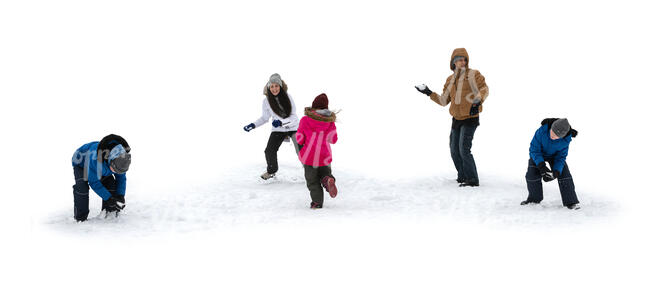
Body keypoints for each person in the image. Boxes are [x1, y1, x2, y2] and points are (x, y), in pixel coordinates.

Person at [415, 48, 489, 187]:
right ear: (453, 62)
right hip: (456, 118)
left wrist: (477, 101)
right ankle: (462, 176)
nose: (463, 62)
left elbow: (484, 89)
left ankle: (472, 179)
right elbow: (443, 100)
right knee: (454, 149)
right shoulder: (450, 80)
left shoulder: (473, 74)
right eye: (459, 59)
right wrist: (428, 92)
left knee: (463, 148)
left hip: (471, 117)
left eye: (464, 59)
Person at [243, 73, 301, 180]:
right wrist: (253, 125)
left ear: (280, 86)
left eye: (276, 86)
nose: (274, 89)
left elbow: (294, 116)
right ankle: (272, 170)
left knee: (301, 150)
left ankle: (311, 171)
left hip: (293, 127)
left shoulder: (288, 97)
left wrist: (281, 122)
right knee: (269, 150)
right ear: (269, 87)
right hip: (278, 129)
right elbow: (265, 118)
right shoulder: (266, 101)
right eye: (272, 86)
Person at [521, 118, 580, 210]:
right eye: (552, 132)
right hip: (539, 154)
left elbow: (561, 157)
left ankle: (571, 201)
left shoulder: (566, 140)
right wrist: (541, 166)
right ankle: (534, 199)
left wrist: (556, 171)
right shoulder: (542, 131)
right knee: (532, 174)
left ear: (562, 136)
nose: (552, 136)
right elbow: (534, 149)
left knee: (564, 174)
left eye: (556, 136)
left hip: (554, 156)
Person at [70, 134, 132, 222]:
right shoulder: (96, 160)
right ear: (111, 161)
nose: (115, 172)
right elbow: (94, 183)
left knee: (110, 183)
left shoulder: (121, 161)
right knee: (82, 187)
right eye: (114, 170)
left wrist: (120, 195)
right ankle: (81, 218)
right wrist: (108, 198)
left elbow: (121, 179)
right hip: (81, 163)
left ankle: (109, 212)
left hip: (101, 166)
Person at [296, 93, 338, 209]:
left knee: (312, 181)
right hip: (325, 156)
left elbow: (299, 138)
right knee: (325, 173)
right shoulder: (329, 122)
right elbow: (333, 139)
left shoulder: (305, 120)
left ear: (313, 106)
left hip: (309, 157)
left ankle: (317, 202)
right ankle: (327, 179)